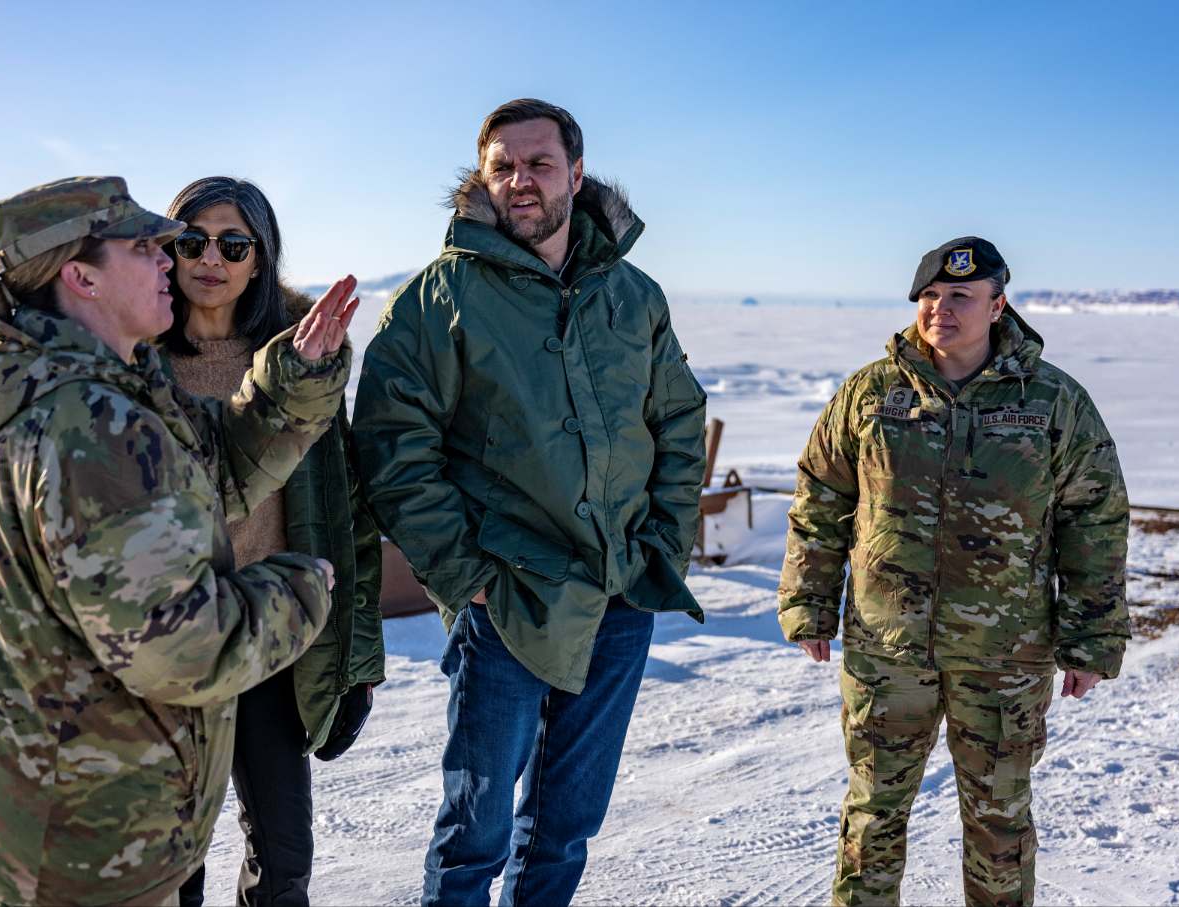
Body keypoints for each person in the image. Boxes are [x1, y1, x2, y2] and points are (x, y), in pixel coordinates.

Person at [0, 175, 361, 906]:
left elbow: (218, 466)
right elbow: (181, 648)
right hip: (90, 844)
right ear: (82, 277)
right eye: (149, 246)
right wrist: (300, 590)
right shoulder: (89, 427)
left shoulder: (110, 392)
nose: (174, 259)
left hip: (102, 813)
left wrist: (291, 383)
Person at [353, 98, 708, 907]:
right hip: (508, 598)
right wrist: (462, 571)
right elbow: (392, 445)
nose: (521, 181)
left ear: (576, 176)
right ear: (481, 180)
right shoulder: (438, 299)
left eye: (539, 164)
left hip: (621, 590)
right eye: (503, 166)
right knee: (474, 834)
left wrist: (664, 540)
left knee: (566, 826)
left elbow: (678, 419)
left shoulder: (633, 295)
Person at [777, 237, 1130, 906]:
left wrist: (1092, 638)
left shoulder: (1053, 402)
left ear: (998, 305)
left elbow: (1096, 519)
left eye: (961, 297)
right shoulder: (870, 393)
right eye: (930, 297)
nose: (941, 309)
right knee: (872, 815)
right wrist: (808, 601)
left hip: (1006, 654)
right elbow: (821, 497)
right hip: (888, 649)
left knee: (999, 824)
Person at [158, 176, 385, 907]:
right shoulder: (138, 364)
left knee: (284, 857)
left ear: (260, 258)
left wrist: (358, 659)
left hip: (270, 636)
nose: (210, 259)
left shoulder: (301, 366)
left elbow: (344, 511)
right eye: (192, 240)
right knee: (168, 864)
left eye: (233, 243)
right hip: (169, 646)